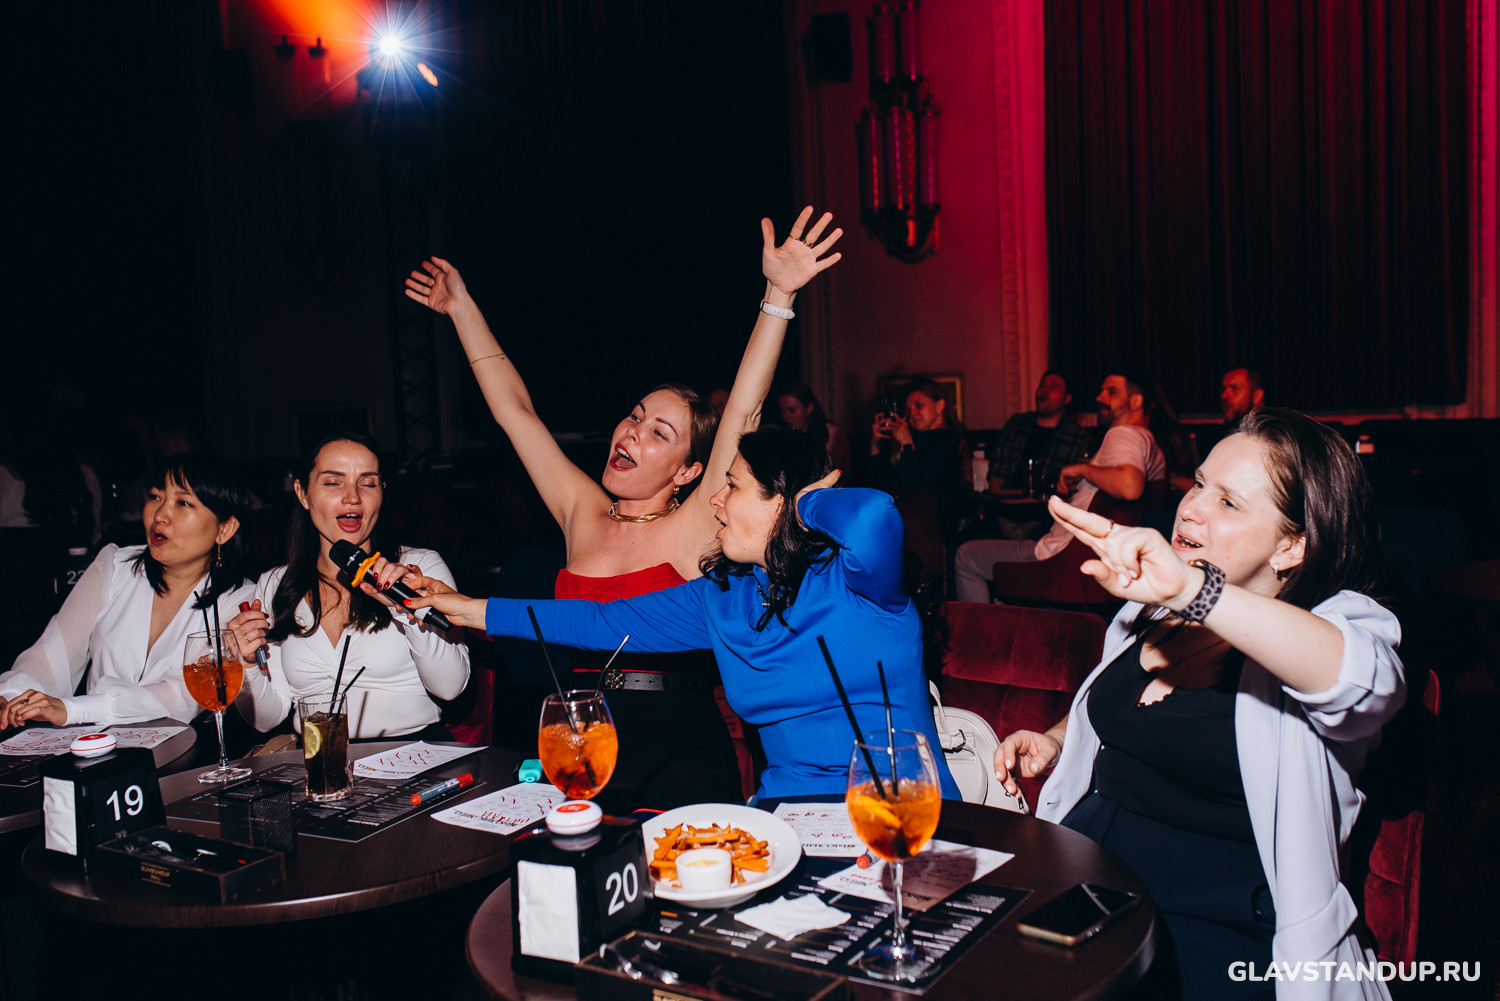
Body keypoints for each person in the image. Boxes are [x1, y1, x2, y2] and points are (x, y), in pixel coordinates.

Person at [405, 209, 843, 804]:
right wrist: (462, 309)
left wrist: (779, 296)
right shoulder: (581, 509)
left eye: (660, 432)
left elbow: (743, 408)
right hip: (575, 737)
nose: (633, 432)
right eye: (635, 416)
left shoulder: (699, 522)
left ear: (689, 472)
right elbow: (517, 413)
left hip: (675, 750)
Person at [995, 408, 1403, 1001]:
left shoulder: (1338, 625)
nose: (1191, 509)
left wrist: (1195, 591)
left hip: (1218, 926)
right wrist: (1058, 738)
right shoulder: (1151, 608)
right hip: (1084, 886)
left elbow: (1363, 682)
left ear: (1291, 546)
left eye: (1229, 503)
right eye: (1200, 484)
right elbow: (1116, 706)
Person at [398, 428, 962, 801]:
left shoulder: (860, 581)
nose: (716, 501)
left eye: (733, 487)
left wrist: (803, 500)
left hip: (901, 810)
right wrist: (464, 608)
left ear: (782, 502)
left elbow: (873, 514)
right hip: (788, 818)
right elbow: (595, 621)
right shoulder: (720, 597)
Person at [227, 433, 470, 741]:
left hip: (412, 753)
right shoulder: (275, 584)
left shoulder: (419, 568)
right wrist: (247, 664)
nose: (353, 497)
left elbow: (450, 687)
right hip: (318, 759)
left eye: (368, 483)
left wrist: (408, 606)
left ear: (382, 492)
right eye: (333, 482)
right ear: (302, 493)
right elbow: (266, 719)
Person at [0, 452, 255, 729]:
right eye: (155, 497)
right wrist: (15, 697)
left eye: (183, 503)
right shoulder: (114, 566)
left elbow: (182, 694)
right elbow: (55, 653)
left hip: (188, 750)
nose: (160, 515)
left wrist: (75, 709)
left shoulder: (239, 599)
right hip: (94, 746)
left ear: (225, 528)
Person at [953, 371, 1166, 603]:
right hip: (1086, 559)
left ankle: (981, 626)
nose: (1100, 397)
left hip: (1060, 559)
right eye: (1102, 391)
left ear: (1136, 402)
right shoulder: (1148, 440)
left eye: (1111, 392)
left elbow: (1130, 487)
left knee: (966, 556)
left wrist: (1082, 470)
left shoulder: (1122, 434)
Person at [866, 377, 967, 554]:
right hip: (906, 531)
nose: (912, 414)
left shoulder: (949, 440)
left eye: (919, 406)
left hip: (934, 535)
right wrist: (875, 444)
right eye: (908, 409)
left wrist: (906, 444)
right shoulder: (915, 440)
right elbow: (883, 482)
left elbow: (916, 486)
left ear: (940, 406)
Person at [985, 371, 1094, 495]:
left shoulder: (1079, 438)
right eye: (1042, 385)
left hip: (1049, 504)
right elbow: (998, 471)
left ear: (1067, 398)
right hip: (1009, 501)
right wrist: (998, 497)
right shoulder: (1017, 424)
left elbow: (1076, 485)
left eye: (1053, 387)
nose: (1044, 390)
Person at [777, 380, 854, 473]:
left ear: (809, 408)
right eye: (782, 411)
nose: (786, 416)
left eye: (792, 410)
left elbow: (838, 470)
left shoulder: (832, 433)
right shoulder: (780, 436)